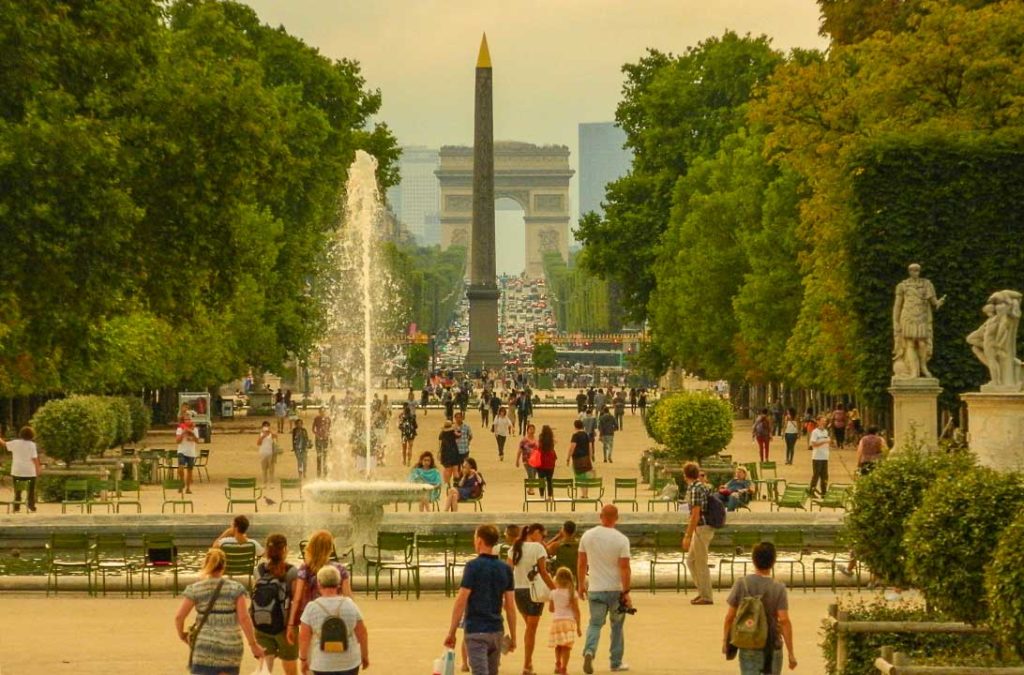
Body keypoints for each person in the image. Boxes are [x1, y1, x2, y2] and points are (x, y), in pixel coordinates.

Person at [175, 548, 265, 675]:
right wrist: (253, 645)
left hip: (204, 648)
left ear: (206, 565)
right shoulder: (236, 589)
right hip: (230, 647)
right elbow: (244, 619)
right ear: (224, 566)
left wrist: (182, 635)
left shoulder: (195, 589)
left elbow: (179, 617)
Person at [444, 524, 517, 675]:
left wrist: (451, 632)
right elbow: (510, 606)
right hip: (497, 630)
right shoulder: (505, 569)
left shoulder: (473, 567)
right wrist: (513, 636)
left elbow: (461, 600)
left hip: (476, 630)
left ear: (479, 541)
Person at [722, 542, 798, 675]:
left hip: (748, 643)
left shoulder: (742, 583)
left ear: (753, 560)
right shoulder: (778, 587)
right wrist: (791, 653)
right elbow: (784, 620)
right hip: (772, 644)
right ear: (774, 561)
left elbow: (730, 617)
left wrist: (725, 642)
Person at [578, 504, 632, 674]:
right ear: (617, 518)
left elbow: (581, 563)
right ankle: (615, 662)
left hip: (596, 587)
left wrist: (580, 584)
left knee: (594, 624)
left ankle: (589, 650)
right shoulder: (621, 539)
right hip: (615, 589)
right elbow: (625, 568)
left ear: (600, 516)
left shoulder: (587, 536)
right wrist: (626, 591)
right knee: (617, 626)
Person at [286, 530, 353, 647]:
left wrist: (291, 624)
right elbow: (348, 597)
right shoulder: (340, 569)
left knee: (311, 650)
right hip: (333, 615)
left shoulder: (305, 568)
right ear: (330, 549)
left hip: (310, 615)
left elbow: (297, 599)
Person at [298, 565, 369, 675]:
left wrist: (303, 659)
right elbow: (362, 633)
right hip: (349, 662)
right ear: (339, 584)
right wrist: (364, 656)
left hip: (321, 663)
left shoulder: (312, 607)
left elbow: (304, 637)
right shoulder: (350, 604)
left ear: (319, 584)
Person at [509, 523, 555, 675]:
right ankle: (527, 665)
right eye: (543, 535)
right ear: (535, 532)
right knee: (531, 630)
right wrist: (556, 590)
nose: (543, 538)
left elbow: (508, 571)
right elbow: (543, 573)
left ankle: (528, 664)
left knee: (529, 627)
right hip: (534, 592)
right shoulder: (538, 548)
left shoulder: (515, 547)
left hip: (518, 591)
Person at [253, 534, 299, 675]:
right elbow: (295, 600)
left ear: (267, 549)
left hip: (262, 623)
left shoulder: (259, 570)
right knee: (290, 667)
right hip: (285, 627)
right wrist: (292, 625)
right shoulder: (292, 571)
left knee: (265, 668)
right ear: (285, 549)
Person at [683, 461, 715, 606]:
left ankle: (706, 596)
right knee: (691, 561)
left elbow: (695, 514)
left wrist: (687, 535)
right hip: (702, 527)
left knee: (700, 562)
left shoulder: (695, 489)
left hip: (702, 527)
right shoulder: (701, 486)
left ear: (685, 475)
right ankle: (702, 591)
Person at [547, 567, 582, 675]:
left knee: (558, 645)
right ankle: (564, 668)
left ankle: (558, 663)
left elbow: (551, 609)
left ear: (556, 579)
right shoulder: (573, 593)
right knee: (567, 647)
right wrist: (579, 626)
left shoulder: (553, 593)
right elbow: (577, 612)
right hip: (568, 622)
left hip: (556, 622)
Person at [7, 426, 41, 512]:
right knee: (31, 490)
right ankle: (31, 505)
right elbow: (34, 458)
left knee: (18, 490)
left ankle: (16, 506)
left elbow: (4, 444)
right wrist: (38, 469)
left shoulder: (15, 443)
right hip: (29, 471)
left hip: (17, 470)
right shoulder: (32, 445)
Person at [177, 411, 199, 494]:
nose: (187, 421)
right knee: (181, 468)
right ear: (184, 420)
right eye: (186, 419)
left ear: (191, 420)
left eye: (189, 419)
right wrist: (183, 433)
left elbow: (197, 441)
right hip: (181, 451)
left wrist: (192, 435)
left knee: (190, 471)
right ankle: (181, 481)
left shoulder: (195, 429)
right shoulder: (180, 428)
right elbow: (177, 441)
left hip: (191, 452)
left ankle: (188, 488)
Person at [809, 416, 831, 497]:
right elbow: (813, 444)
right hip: (817, 457)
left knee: (825, 476)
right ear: (818, 422)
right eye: (822, 421)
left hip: (825, 456)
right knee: (816, 475)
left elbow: (828, 441)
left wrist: (828, 442)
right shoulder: (815, 432)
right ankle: (811, 491)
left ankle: (824, 492)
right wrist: (824, 441)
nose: (824, 422)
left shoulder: (825, 431)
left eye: (825, 421)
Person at [536, 425, 558, 498]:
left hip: (541, 462)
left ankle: (542, 494)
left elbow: (538, 447)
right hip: (550, 462)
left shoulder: (541, 438)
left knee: (541, 479)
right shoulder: (551, 439)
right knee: (549, 479)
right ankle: (550, 495)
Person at [517, 423, 539, 493]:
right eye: (530, 429)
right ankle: (531, 489)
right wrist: (517, 460)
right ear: (527, 430)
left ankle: (530, 488)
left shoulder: (536, 440)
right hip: (527, 460)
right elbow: (520, 450)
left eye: (533, 429)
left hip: (535, 460)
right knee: (530, 473)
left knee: (534, 475)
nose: (532, 430)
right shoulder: (524, 440)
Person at [439, 420, 462, 486]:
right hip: (454, 452)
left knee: (447, 469)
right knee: (455, 469)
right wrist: (457, 428)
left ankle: (448, 485)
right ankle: (456, 484)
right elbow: (459, 435)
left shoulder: (442, 433)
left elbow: (440, 439)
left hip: (445, 452)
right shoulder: (453, 432)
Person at [312, 408, 331, 479]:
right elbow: (313, 429)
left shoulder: (328, 419)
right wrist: (316, 434)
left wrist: (328, 434)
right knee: (319, 456)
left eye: (324, 411)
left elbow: (330, 428)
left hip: (325, 439)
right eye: (321, 411)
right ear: (319, 412)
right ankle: (319, 473)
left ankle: (325, 473)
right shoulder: (316, 418)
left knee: (325, 456)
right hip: (318, 439)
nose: (322, 413)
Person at [258, 421, 277, 488]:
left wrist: (270, 432)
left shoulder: (271, 434)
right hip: (263, 453)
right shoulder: (261, 434)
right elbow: (258, 443)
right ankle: (264, 483)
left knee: (271, 469)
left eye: (267, 426)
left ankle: (271, 483)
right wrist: (263, 436)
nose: (266, 427)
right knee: (264, 469)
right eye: (265, 426)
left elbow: (276, 438)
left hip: (270, 453)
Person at [398, 403, 418, 467]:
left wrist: (403, 429)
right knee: (410, 448)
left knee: (404, 448)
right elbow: (416, 426)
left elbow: (399, 426)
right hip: (411, 434)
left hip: (404, 434)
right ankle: (409, 461)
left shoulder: (402, 417)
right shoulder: (413, 417)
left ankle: (404, 460)